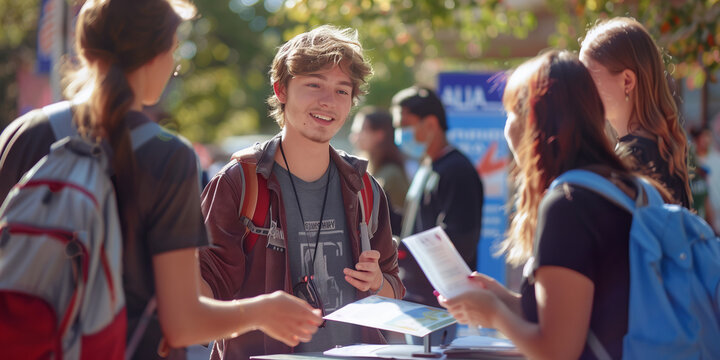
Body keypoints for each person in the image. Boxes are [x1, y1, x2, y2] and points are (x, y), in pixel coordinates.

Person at [0, 0, 323, 358]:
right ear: (156, 54)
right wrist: (263, 311)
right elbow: (182, 321)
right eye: (173, 50)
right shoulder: (167, 156)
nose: (174, 65)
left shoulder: (23, 133)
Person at [199, 25, 405, 360]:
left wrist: (378, 283)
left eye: (342, 90)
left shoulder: (364, 188)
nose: (329, 101)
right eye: (314, 85)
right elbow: (201, 301)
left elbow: (394, 292)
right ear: (281, 90)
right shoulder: (239, 184)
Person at [438, 50, 647, 359]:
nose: (506, 127)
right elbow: (582, 316)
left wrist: (495, 313)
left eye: (510, 112)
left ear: (532, 120)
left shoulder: (567, 205)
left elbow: (557, 350)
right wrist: (506, 301)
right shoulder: (627, 187)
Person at [392, 86, 484, 344]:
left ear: (431, 123)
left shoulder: (457, 171)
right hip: (416, 299)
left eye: (405, 125)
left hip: (440, 305)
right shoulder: (427, 166)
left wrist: (401, 248)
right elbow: (415, 226)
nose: (400, 134)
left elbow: (457, 241)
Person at [579, 16, 691, 208]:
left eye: (588, 79)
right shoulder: (661, 147)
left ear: (627, 81)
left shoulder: (632, 159)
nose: (581, 89)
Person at [349, 106, 409, 235]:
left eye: (361, 131)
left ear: (379, 135)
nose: (354, 137)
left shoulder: (391, 175)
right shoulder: (371, 171)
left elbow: (401, 224)